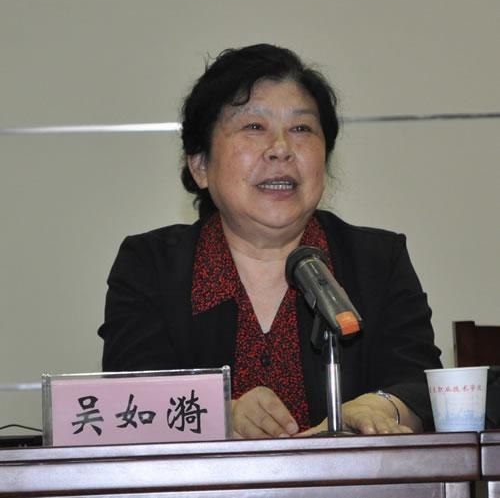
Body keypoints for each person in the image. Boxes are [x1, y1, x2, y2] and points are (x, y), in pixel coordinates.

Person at [98, 43, 442, 438]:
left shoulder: (377, 260)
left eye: (301, 129)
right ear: (200, 165)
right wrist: (219, 414)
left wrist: (379, 408)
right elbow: (129, 399)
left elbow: (421, 384)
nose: (281, 149)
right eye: (254, 127)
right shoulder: (151, 266)